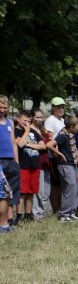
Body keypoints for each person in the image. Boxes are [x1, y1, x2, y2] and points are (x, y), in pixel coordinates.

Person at [15, 109, 44, 223]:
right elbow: (20, 144)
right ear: (18, 119)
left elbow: (42, 146)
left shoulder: (34, 131)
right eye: (24, 120)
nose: (26, 122)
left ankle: (28, 214)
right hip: (23, 165)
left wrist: (29, 143)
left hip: (34, 165)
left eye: (28, 120)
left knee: (31, 192)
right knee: (22, 192)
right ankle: (18, 215)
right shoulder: (16, 131)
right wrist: (27, 131)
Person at [0, 96, 20, 227]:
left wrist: (16, 162)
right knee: (2, 192)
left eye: (4, 107)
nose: (2, 110)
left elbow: (13, 143)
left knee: (11, 192)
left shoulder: (10, 123)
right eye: (0, 107)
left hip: (10, 161)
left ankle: (8, 220)